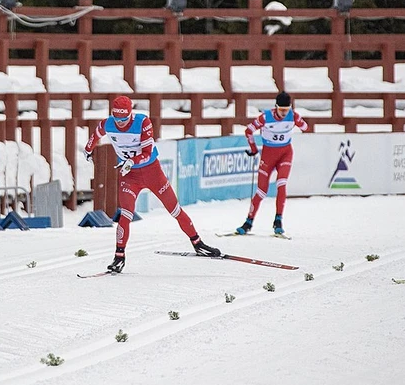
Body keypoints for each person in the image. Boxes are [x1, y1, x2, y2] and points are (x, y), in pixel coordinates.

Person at [84, 95, 220, 273]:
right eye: (117, 119)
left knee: (175, 210)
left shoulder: (143, 122)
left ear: (130, 115)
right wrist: (88, 149)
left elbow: (148, 153)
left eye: (124, 119)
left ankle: (198, 243)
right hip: (129, 176)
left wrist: (131, 161)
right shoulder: (107, 123)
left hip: (151, 172)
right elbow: (95, 135)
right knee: (125, 214)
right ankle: (119, 257)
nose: (120, 123)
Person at [235, 91, 309, 236]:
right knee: (261, 191)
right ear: (276, 107)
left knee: (281, 184)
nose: (283, 113)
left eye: (286, 110)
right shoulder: (265, 117)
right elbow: (248, 131)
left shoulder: (292, 115)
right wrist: (254, 149)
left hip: (285, 154)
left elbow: (306, 128)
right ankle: (248, 222)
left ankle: (278, 220)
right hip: (268, 156)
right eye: (281, 110)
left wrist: (299, 121)